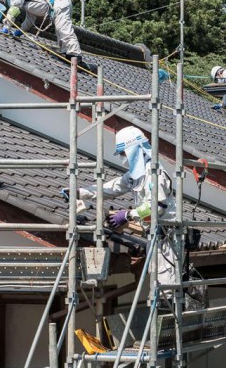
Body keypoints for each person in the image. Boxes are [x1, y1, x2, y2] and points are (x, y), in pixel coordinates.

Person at [64, 126, 179, 308]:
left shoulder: (153, 173)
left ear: (134, 149)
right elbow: (112, 187)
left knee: (166, 287)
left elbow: (156, 206)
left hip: (167, 237)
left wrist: (127, 215)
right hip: (154, 235)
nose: (123, 158)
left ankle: (168, 322)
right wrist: (81, 192)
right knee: (157, 282)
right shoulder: (137, 174)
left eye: (123, 152)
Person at [0, 0, 96, 71]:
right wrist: (18, 32)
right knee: (60, 30)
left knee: (63, 29)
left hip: (59, 2)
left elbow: (14, 10)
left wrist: (6, 28)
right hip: (59, 4)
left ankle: (75, 56)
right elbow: (29, 20)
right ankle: (67, 53)